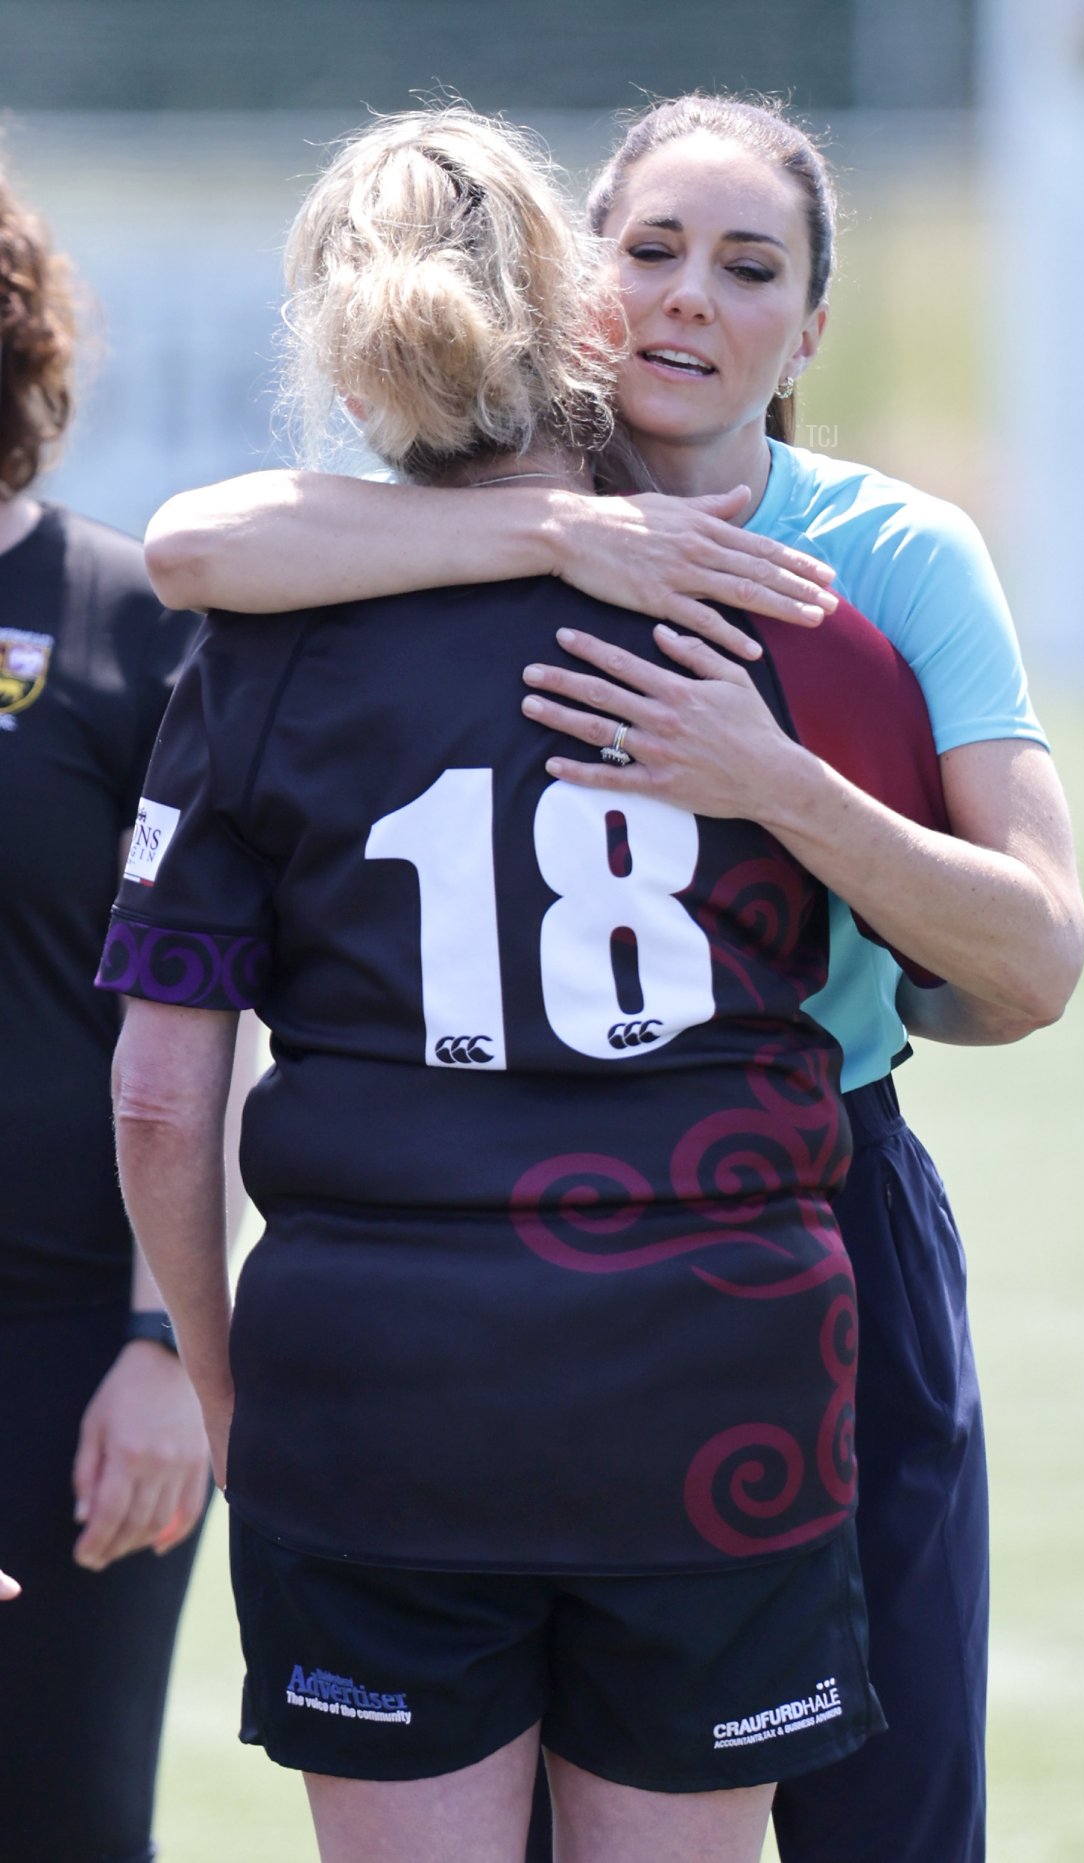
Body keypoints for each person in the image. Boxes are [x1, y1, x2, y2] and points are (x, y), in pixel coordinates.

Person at [140, 95, 1084, 1863]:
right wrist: (561, 540)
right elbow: (196, 545)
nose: (686, 302)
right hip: (513, 1239)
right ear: (573, 280)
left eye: (748, 271)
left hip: (803, 1194)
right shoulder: (429, 533)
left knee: (885, 1799)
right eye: (649, 251)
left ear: (809, 330)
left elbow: (1030, 959)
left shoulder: (872, 563)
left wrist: (775, 784)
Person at [0, 164, 210, 1862]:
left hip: (69, 1353)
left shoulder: (130, 619)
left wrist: (164, 1352)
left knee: (63, 1820)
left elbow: (200, 1020)